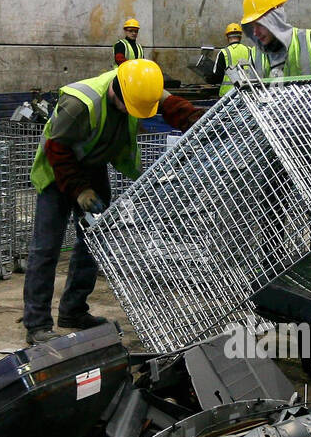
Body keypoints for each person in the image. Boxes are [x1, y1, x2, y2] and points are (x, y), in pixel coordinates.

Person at [22, 59, 205, 342]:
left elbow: (171, 107)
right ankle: (37, 324)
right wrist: (79, 190)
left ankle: (73, 310)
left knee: (93, 243)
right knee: (46, 247)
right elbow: (56, 149)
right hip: (58, 170)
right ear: (116, 94)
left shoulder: (140, 83)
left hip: (94, 165)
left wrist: (199, 120)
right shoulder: (79, 105)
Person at [205, 23, 256, 96]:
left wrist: (208, 78)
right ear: (240, 36)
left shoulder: (224, 52)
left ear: (227, 37)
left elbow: (217, 77)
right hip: (247, 93)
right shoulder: (250, 50)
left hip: (228, 95)